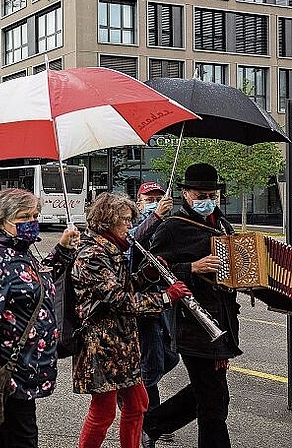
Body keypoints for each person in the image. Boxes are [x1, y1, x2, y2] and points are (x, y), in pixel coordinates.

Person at [72, 192, 191, 448]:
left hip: (121, 344)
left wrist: (146, 275)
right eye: (125, 220)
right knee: (103, 411)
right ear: (107, 221)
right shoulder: (93, 255)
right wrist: (166, 298)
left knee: (138, 403)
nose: (130, 226)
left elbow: (125, 287)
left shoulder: (113, 250)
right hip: (101, 345)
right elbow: (120, 301)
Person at [0, 188, 79, 448]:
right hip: (9, 370)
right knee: (23, 439)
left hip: (27, 367)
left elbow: (35, 282)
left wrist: (62, 250)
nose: (32, 222)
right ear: (0, 220)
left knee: (4, 437)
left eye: (35, 215)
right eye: (23, 217)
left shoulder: (20, 251)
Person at [142, 164, 240, 448]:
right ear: (185, 193)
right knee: (214, 403)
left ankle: (154, 421)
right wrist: (191, 268)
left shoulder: (223, 224)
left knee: (210, 393)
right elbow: (151, 270)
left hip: (223, 321)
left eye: (211, 193)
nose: (206, 199)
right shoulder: (173, 227)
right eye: (200, 194)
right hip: (192, 323)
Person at [129, 182, 177, 443]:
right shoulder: (133, 223)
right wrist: (156, 215)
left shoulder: (169, 225)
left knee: (169, 357)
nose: (155, 201)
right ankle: (150, 420)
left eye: (159, 197)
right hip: (143, 305)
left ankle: (149, 413)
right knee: (150, 364)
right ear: (140, 201)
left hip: (165, 303)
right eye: (150, 198)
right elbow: (132, 240)